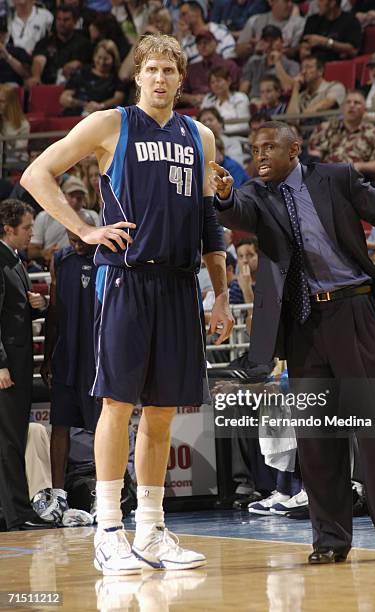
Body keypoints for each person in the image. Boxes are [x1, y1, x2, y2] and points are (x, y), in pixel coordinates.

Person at [21, 33, 233, 574]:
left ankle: (153, 530)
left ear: (182, 80)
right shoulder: (109, 124)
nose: (160, 78)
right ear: (137, 76)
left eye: (170, 70)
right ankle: (108, 528)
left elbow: (210, 223)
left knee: (162, 411)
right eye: (152, 69)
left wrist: (223, 297)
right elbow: (36, 174)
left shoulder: (200, 136)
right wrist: (84, 230)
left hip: (181, 285)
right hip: (125, 279)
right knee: (117, 404)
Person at [210, 120, 375, 562]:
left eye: (270, 147)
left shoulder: (336, 178)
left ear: (295, 150)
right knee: (317, 439)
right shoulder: (255, 193)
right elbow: (237, 214)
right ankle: (329, 541)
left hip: (355, 313)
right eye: (254, 149)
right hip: (304, 325)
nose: (260, 156)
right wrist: (225, 195)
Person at [40, 211, 102, 524]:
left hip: (97, 356)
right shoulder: (60, 260)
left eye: (80, 238)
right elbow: (54, 309)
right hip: (66, 354)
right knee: (60, 426)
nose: (76, 244)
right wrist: (49, 353)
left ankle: (104, 496)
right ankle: (58, 495)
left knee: (100, 427)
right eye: (71, 238)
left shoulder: (108, 257)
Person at [0, 199, 50, 531]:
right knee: (9, 441)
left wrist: (39, 305)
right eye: (27, 228)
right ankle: (16, 514)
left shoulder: (16, 260)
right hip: (7, 368)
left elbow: (15, 311)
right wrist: (0, 364)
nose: (32, 234)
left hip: (19, 364)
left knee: (14, 438)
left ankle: (16, 510)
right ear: (8, 229)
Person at [308, 90, 375, 180]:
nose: (352, 105)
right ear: (342, 108)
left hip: (356, 181)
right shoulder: (326, 128)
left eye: (356, 103)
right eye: (348, 102)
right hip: (326, 178)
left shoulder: (374, 133)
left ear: (364, 109)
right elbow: (314, 156)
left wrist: (360, 166)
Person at [28, 176, 99, 265]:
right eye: (72, 196)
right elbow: (31, 251)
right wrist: (44, 253)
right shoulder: (44, 217)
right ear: (62, 195)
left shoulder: (92, 216)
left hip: (87, 263)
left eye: (79, 197)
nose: (75, 200)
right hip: (50, 266)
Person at [26, 5, 90, 87]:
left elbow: (91, 67)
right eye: (59, 19)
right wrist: (36, 77)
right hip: (47, 85)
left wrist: (80, 65)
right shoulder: (44, 42)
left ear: (75, 22)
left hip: (75, 87)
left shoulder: (84, 44)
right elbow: (38, 60)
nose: (61, 23)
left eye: (66, 20)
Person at [60, 39, 126, 116]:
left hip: (103, 117)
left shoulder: (117, 78)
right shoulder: (81, 73)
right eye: (99, 57)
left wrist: (101, 106)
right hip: (75, 115)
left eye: (106, 59)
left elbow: (118, 98)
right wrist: (85, 105)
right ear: (94, 57)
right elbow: (64, 98)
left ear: (114, 59)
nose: (102, 62)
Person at [181, 29, 240, 107]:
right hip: (196, 107)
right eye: (199, 43)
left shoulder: (229, 65)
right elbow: (179, 93)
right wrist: (191, 98)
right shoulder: (191, 69)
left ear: (216, 44)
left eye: (206, 42)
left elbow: (236, 90)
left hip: (224, 105)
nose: (203, 46)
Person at [239, 25, 299, 101]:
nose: (270, 44)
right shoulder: (253, 64)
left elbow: (289, 88)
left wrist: (277, 62)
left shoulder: (292, 65)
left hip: (278, 105)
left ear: (282, 42)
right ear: (262, 43)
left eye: (274, 40)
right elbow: (243, 90)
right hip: (253, 103)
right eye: (266, 41)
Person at [200, 65, 250, 135]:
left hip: (236, 137)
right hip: (211, 138)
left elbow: (245, 125)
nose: (215, 84)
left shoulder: (240, 98)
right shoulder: (208, 99)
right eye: (212, 82)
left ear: (229, 81)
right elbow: (201, 123)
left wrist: (220, 130)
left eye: (218, 81)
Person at [0, 83, 30, 165]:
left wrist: (4, 142)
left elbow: (18, 152)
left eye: (2, 101)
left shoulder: (23, 124)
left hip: (17, 160)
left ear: (11, 104)